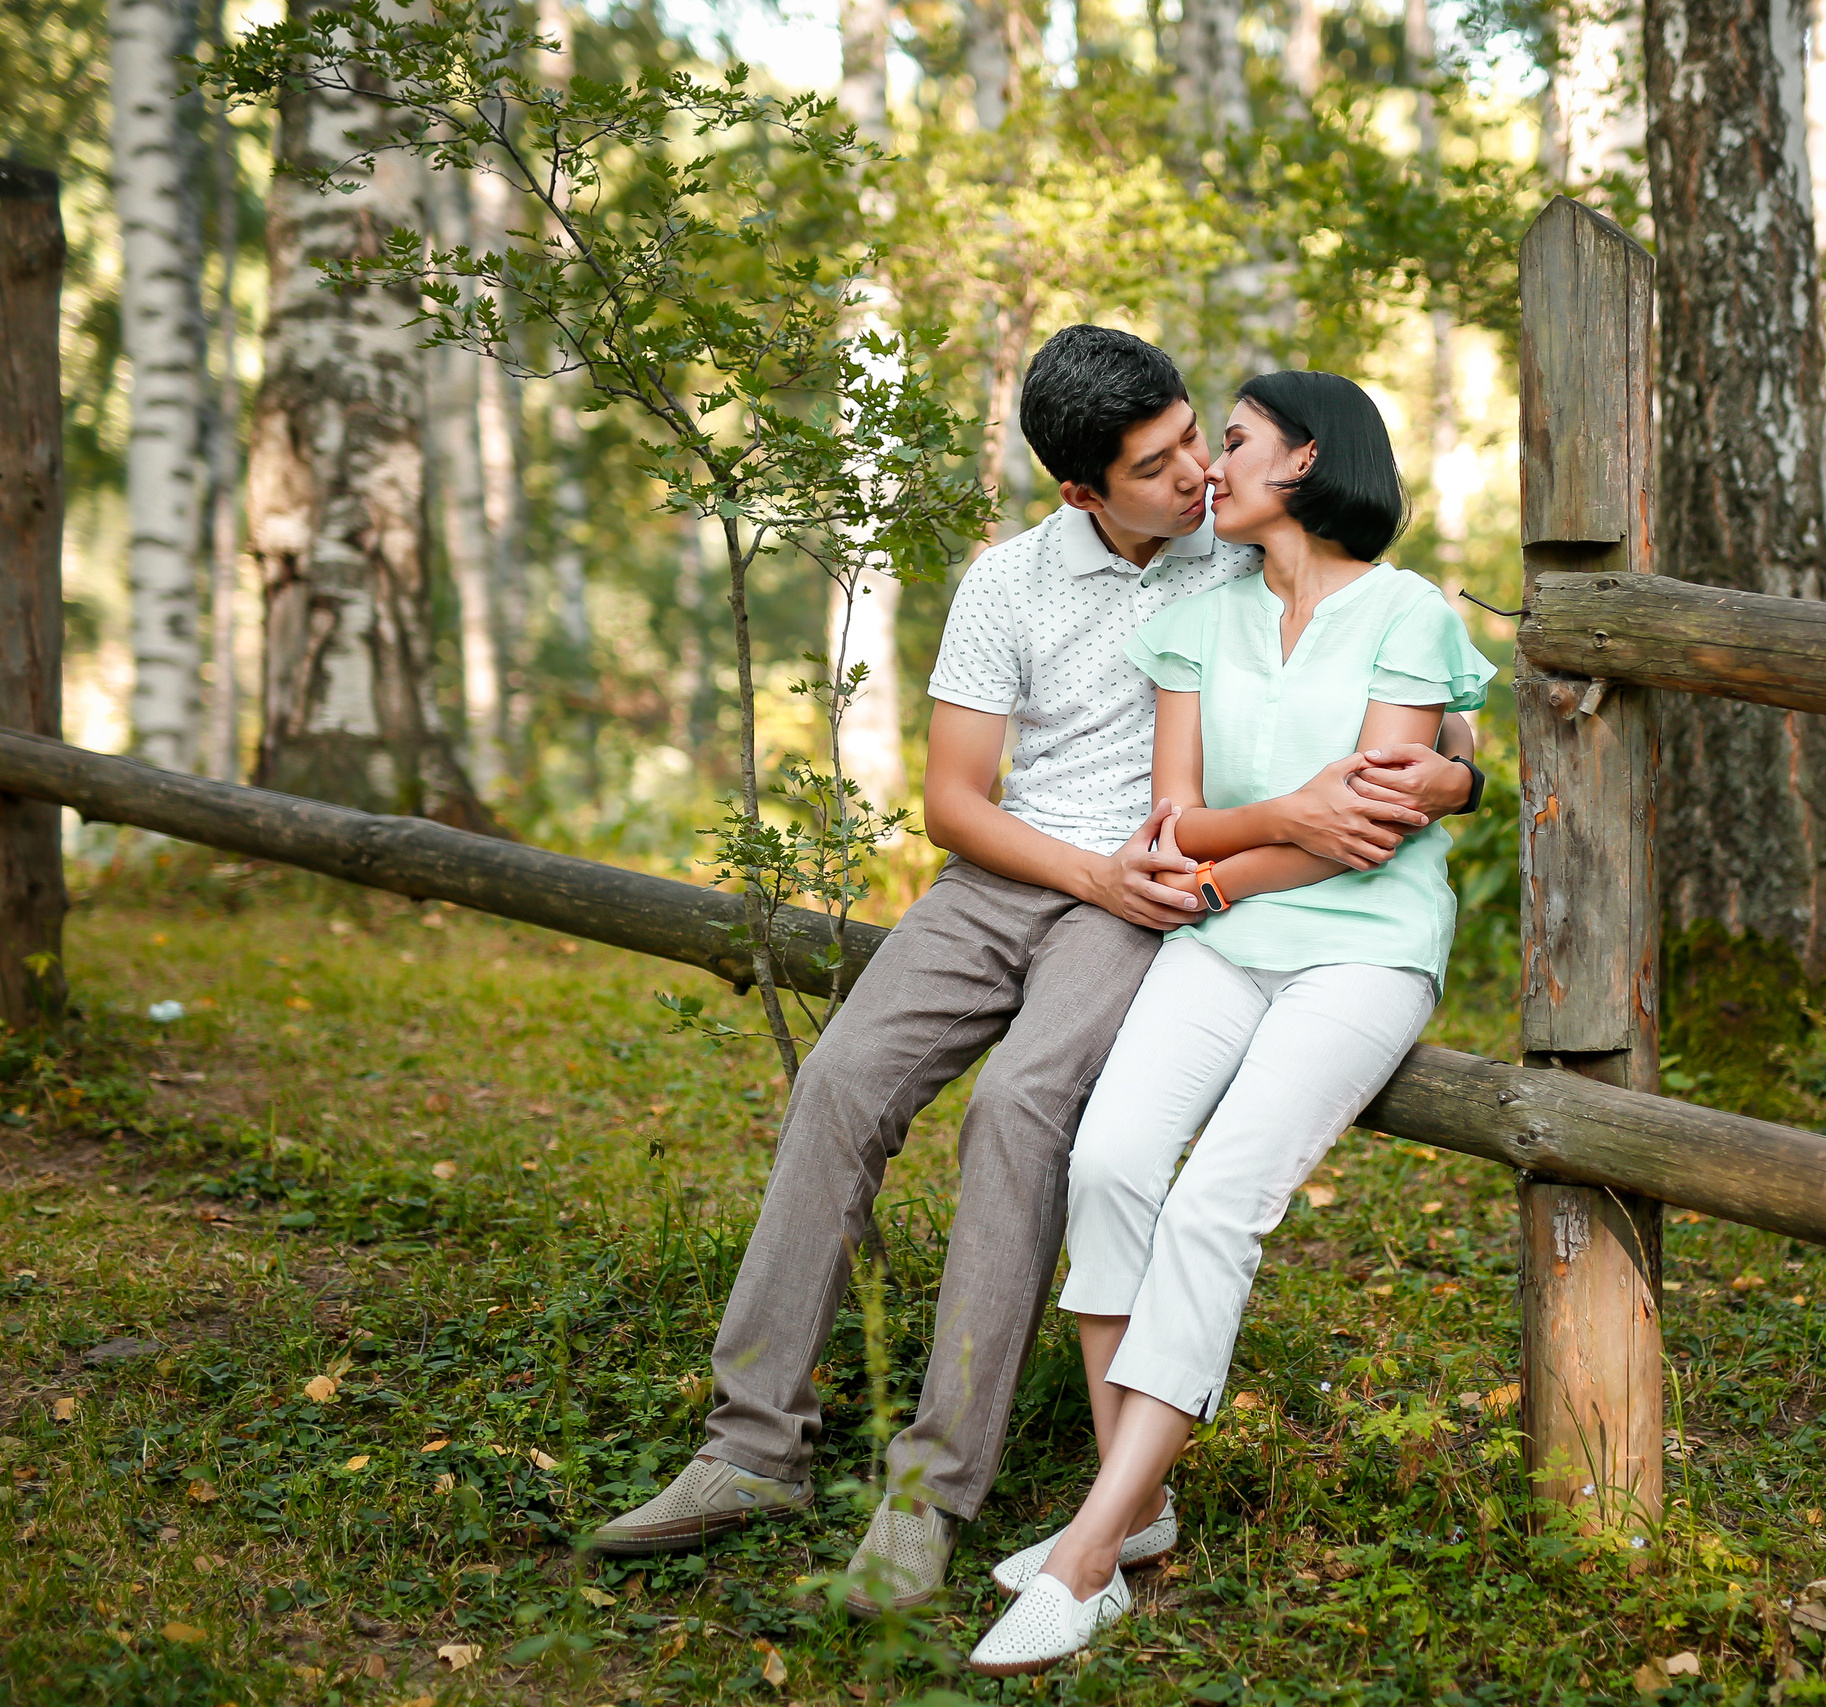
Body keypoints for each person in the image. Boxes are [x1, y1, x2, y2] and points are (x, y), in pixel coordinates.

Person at [585, 329, 1484, 1617]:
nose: (1192, 476)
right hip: (1015, 880)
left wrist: (1458, 771)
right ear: (1080, 490)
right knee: (841, 1079)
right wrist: (1089, 873)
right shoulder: (1009, 584)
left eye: (1196, 439)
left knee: (1021, 1111)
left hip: (1148, 901)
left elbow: (1403, 668)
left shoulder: (1240, 532)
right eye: (1157, 462)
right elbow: (956, 803)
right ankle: (748, 1450)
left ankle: (929, 1494)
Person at [965, 371, 1493, 1675]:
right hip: (1218, 947)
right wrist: (1240, 845)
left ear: (1308, 462)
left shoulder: (1407, 614)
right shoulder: (1200, 619)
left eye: (1236, 441)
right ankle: (1136, 1509)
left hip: (1363, 957)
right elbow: (1175, 818)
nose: (1212, 467)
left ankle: (1087, 1558)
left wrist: (1217, 865)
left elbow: (1365, 838)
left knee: (1214, 1208)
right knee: (1109, 1163)